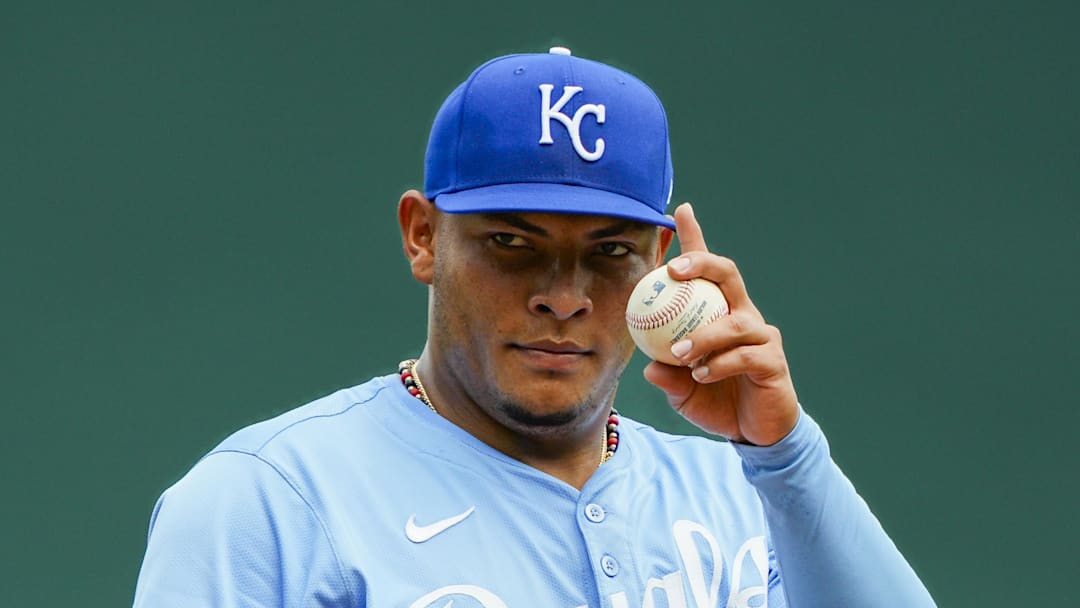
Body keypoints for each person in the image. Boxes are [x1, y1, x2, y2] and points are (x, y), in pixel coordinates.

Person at [133, 47, 935, 607]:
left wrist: (785, 457)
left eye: (609, 251)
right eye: (512, 244)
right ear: (423, 236)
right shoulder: (266, 502)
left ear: (661, 261)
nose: (563, 295)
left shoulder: (743, 495)